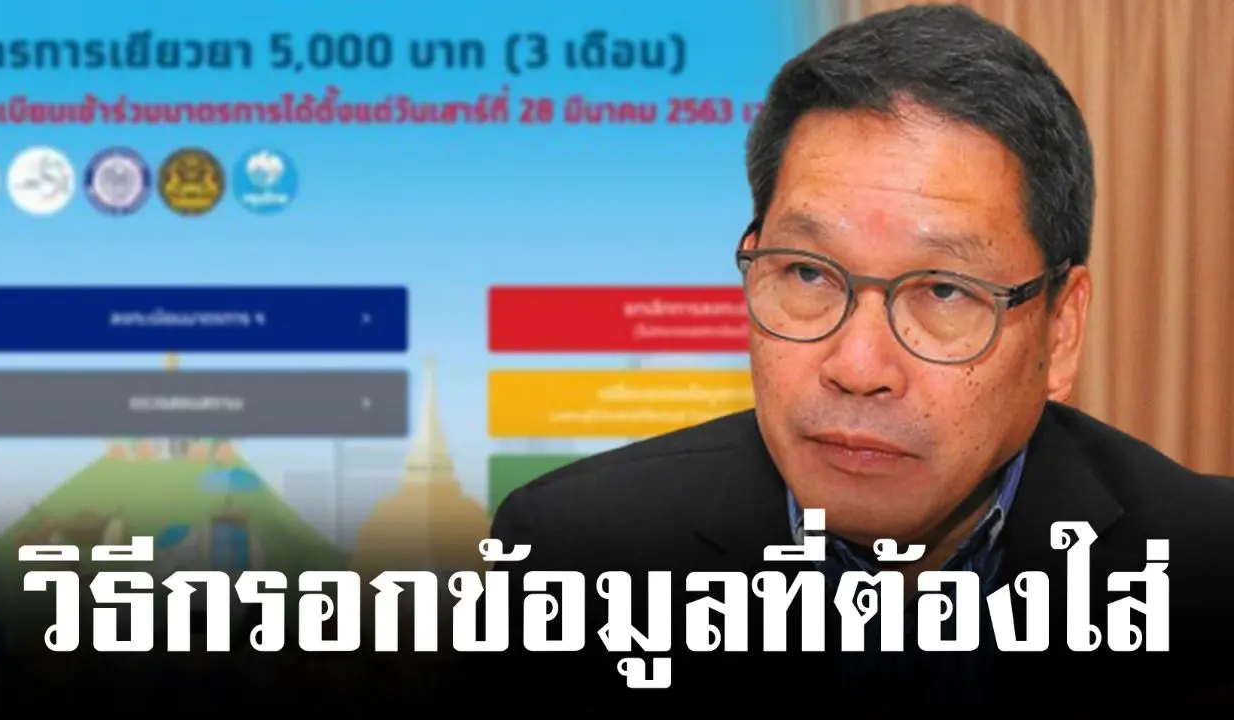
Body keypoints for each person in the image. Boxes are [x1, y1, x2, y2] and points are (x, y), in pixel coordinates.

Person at [483, 3, 1234, 707]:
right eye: (808, 274)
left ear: (1060, 331)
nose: (859, 367)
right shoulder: (574, 554)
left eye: (943, 290)